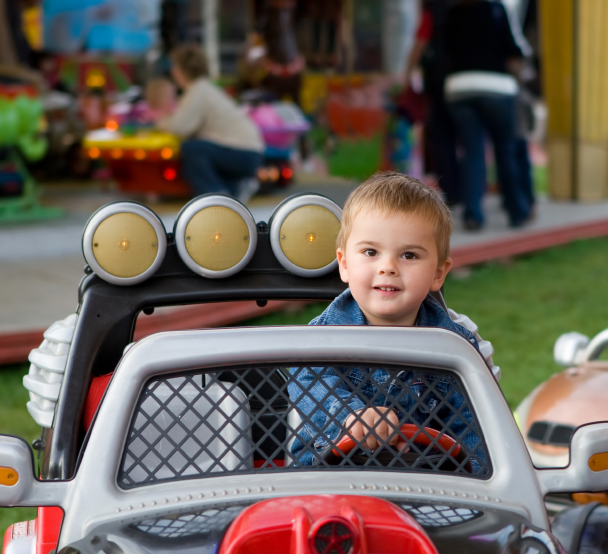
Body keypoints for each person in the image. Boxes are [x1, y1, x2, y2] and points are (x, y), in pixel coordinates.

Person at [287, 172, 486, 469]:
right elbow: (313, 387)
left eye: (408, 255)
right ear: (344, 264)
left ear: (438, 273)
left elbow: (472, 433)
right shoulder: (321, 339)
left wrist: (479, 481)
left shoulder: (454, 345)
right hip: (330, 479)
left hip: (426, 483)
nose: (387, 267)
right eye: (371, 252)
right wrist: (351, 415)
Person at [442, 0, 533, 230]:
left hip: (459, 88)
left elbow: (443, 51)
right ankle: (517, 211)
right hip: (497, 88)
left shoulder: (451, 13)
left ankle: (473, 214)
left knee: (472, 153)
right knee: (505, 150)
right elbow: (514, 49)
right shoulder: (496, 8)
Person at [156, 44, 264, 198]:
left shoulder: (197, 90)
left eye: (174, 66)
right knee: (199, 152)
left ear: (183, 69)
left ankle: (214, 196)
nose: (172, 71)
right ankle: (233, 188)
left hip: (241, 152)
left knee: (191, 149)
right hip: (250, 152)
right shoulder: (205, 88)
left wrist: (160, 121)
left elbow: (179, 127)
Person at [404, 0, 461, 207]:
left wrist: (407, 75)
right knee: (470, 144)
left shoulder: (433, 11)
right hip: (462, 83)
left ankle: (453, 192)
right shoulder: (463, 8)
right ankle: (469, 193)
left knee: (442, 139)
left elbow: (420, 42)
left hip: (440, 85)